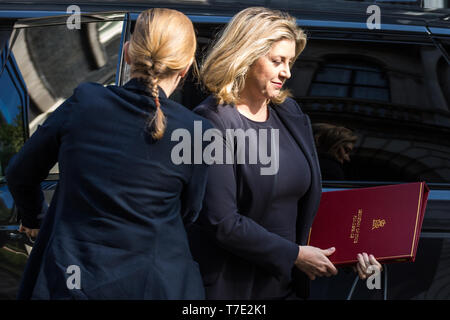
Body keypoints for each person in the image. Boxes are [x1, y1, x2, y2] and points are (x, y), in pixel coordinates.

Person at [6, 8, 212, 299]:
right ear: (187, 66)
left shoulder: (86, 101)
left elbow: (19, 173)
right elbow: (189, 213)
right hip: (154, 285)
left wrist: (35, 219)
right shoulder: (199, 132)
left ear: (127, 51)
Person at [188, 7, 381, 300]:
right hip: (235, 290)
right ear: (246, 55)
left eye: (290, 61)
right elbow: (222, 222)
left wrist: (346, 253)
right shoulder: (211, 121)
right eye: (278, 61)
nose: (287, 72)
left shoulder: (288, 112)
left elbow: (301, 204)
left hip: (288, 286)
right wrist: (294, 254)